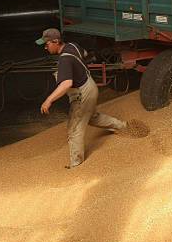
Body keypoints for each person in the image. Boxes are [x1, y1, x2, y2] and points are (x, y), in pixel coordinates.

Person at [37, 28, 127, 168]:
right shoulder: (72, 46)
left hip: (82, 93)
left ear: (56, 41)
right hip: (90, 85)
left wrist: (49, 100)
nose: (45, 46)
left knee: (74, 128)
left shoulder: (64, 60)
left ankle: (76, 165)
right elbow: (84, 54)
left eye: (47, 43)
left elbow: (67, 83)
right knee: (91, 116)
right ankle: (123, 126)